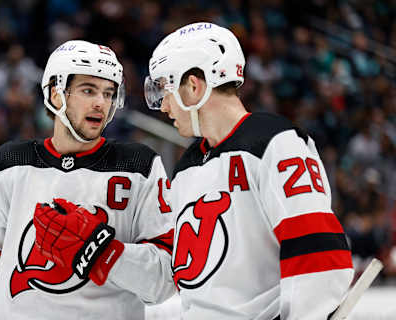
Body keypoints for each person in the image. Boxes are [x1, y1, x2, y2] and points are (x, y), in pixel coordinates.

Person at [144, 22, 354, 320]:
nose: (163, 106)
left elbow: (318, 252)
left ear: (194, 86)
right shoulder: (185, 169)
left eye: (165, 89)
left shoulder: (276, 143)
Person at [0, 40, 176, 320]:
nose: (101, 103)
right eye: (88, 90)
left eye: (109, 93)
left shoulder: (139, 166)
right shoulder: (8, 164)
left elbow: (166, 280)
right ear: (56, 94)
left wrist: (102, 251)